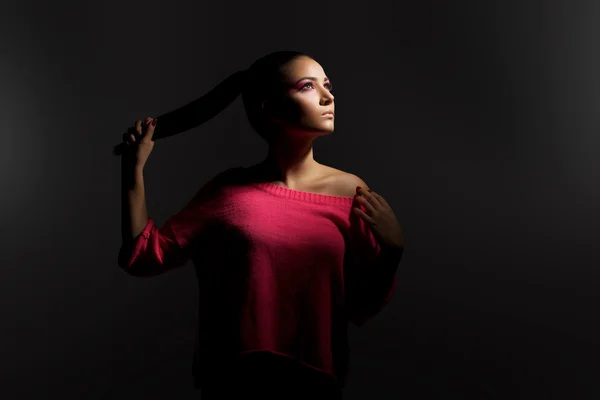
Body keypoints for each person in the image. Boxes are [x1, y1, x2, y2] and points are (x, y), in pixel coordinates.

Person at [118, 50, 404, 399]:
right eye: (307, 87)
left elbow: (357, 307)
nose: (328, 96)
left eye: (327, 85)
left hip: (314, 385)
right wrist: (133, 172)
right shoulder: (227, 193)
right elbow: (144, 256)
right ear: (269, 108)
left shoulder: (352, 192)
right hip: (234, 381)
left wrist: (392, 251)